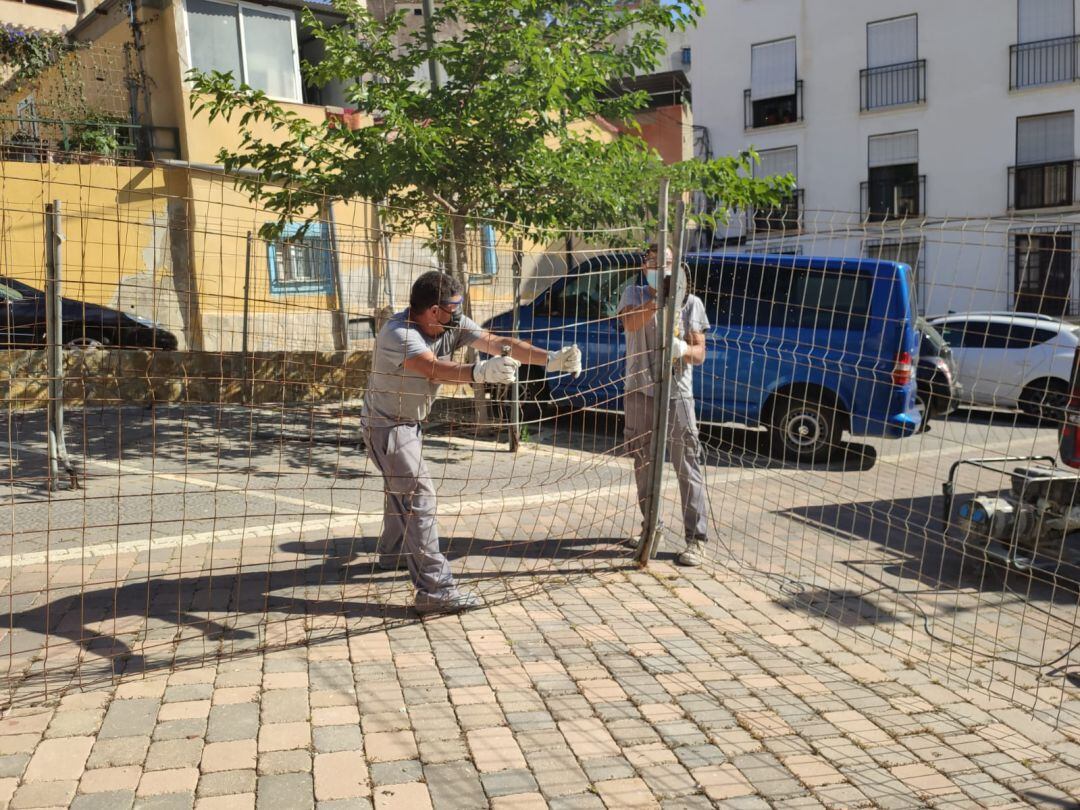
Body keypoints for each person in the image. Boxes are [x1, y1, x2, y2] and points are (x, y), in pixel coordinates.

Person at [359, 270, 582, 614]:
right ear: (433, 310)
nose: (460, 313)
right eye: (453, 306)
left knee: (401, 488)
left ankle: (392, 554)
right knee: (417, 495)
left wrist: (550, 359)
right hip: (386, 426)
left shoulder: (450, 324)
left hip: (410, 423)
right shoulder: (398, 334)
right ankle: (435, 590)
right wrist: (478, 373)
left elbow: (496, 342)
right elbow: (432, 368)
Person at [617, 244, 712, 566]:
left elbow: (700, 354)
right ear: (645, 267)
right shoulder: (633, 293)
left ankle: (695, 539)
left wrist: (683, 348)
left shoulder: (691, 304)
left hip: (677, 395)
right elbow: (629, 324)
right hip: (639, 390)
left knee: (687, 466)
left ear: (677, 267)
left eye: (668, 263)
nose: (661, 268)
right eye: (655, 262)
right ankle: (650, 529)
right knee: (643, 464)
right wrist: (659, 301)